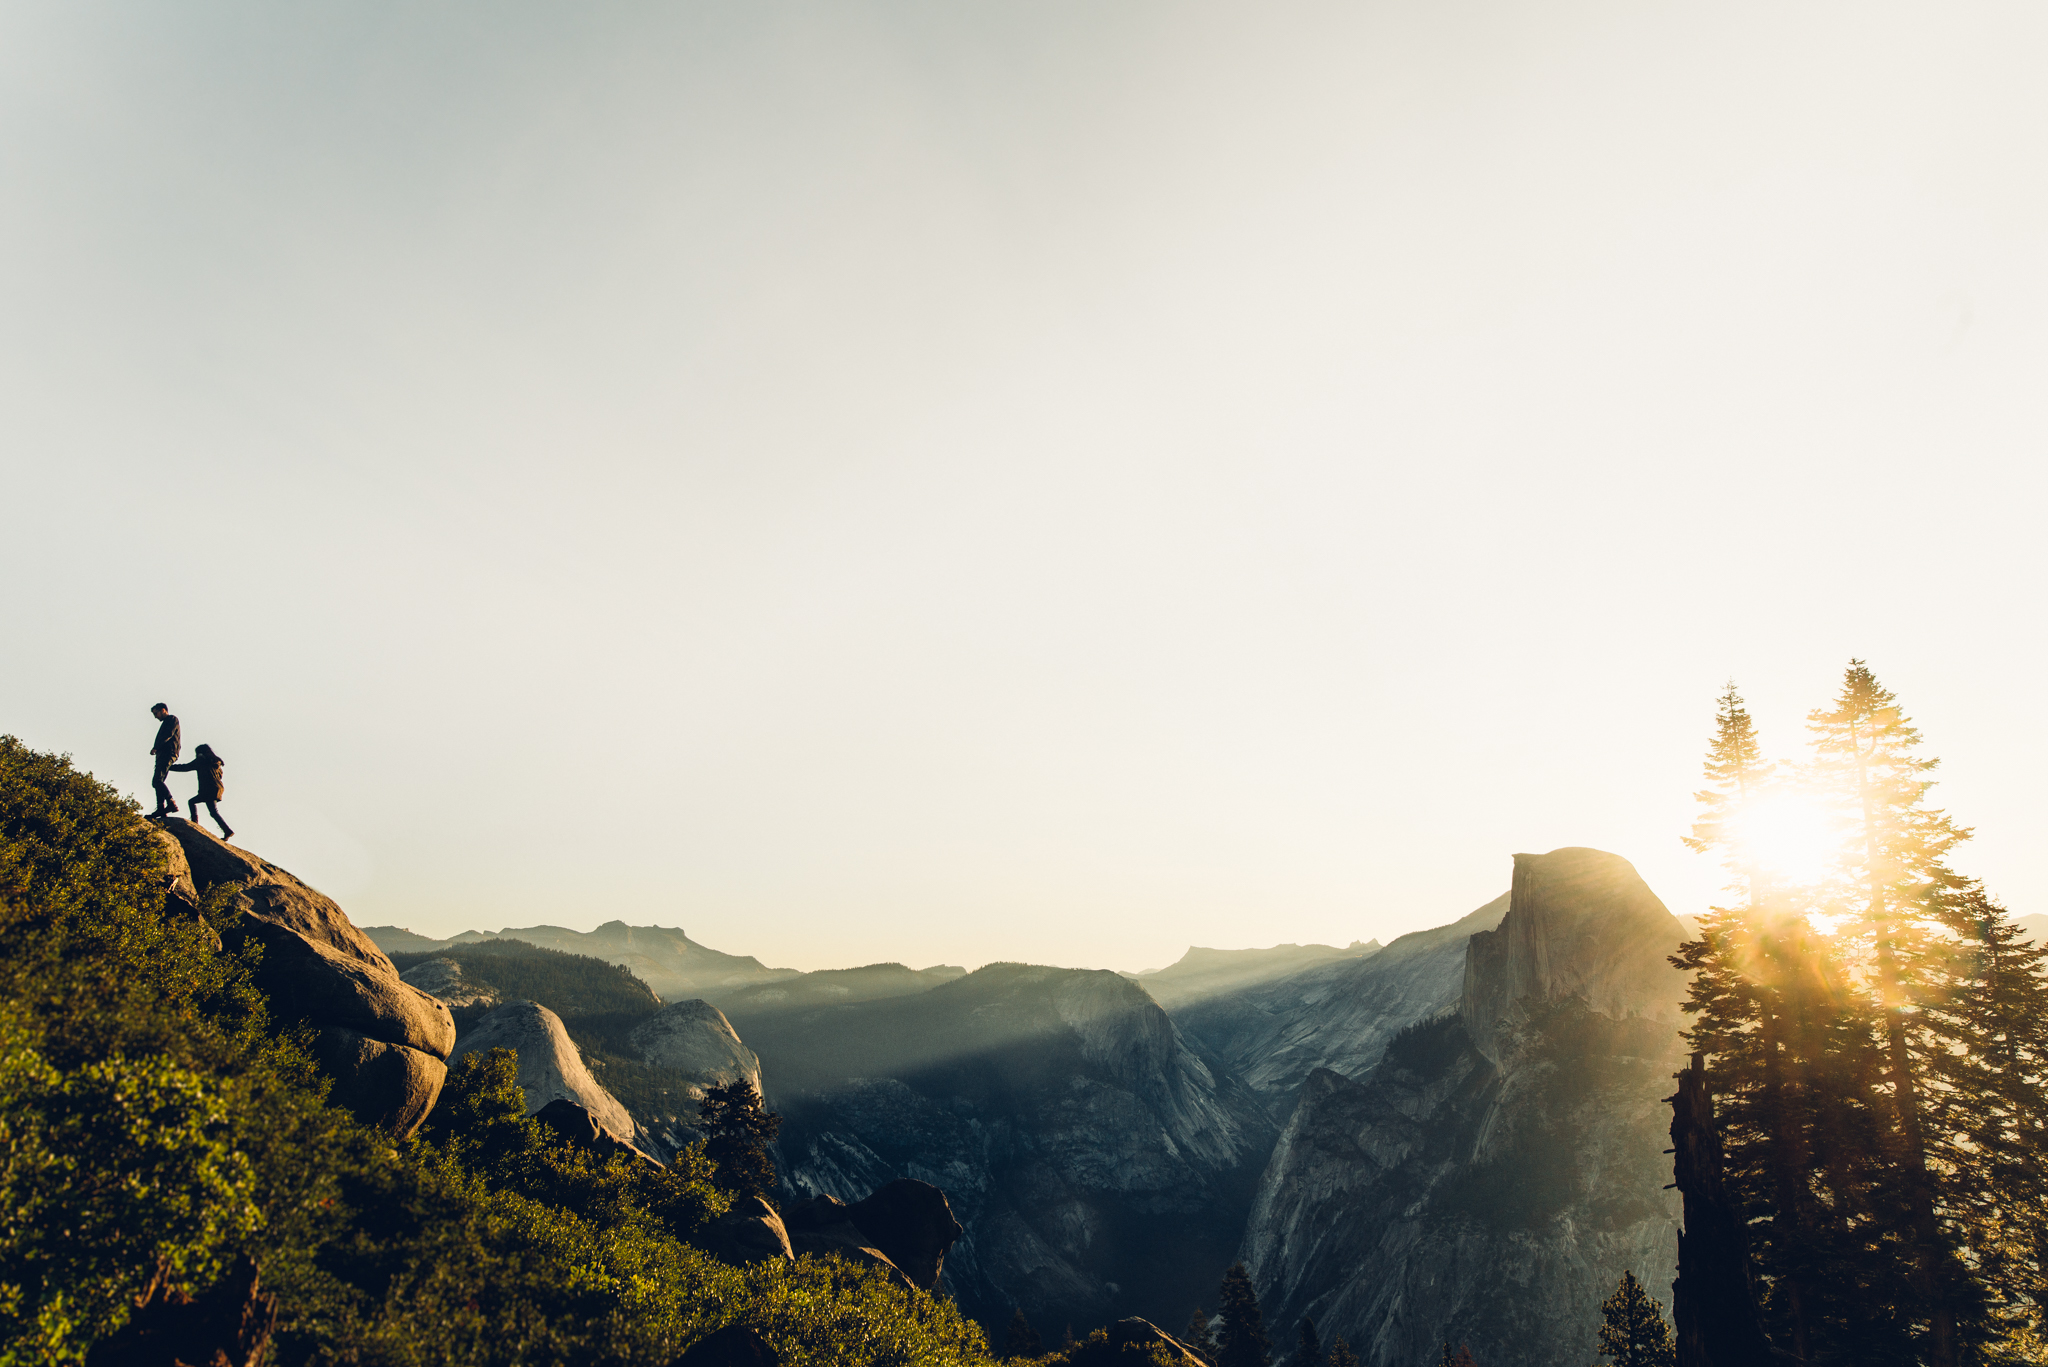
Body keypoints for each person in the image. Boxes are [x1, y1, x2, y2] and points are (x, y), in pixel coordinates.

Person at [170, 743, 233, 839]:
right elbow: (220, 776)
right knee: (212, 811)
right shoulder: (216, 762)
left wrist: (169, 767)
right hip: (218, 788)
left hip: (208, 788)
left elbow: (186, 767)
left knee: (194, 803)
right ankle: (227, 831)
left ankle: (195, 823)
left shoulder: (201, 760)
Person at [147, 703, 181, 818]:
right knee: (158, 781)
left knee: (157, 781)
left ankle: (171, 802)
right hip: (164, 754)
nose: (155, 716)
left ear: (163, 710)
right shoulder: (167, 721)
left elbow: (168, 734)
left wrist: (156, 747)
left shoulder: (171, 719)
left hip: (168, 753)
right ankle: (161, 809)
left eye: (156, 713)